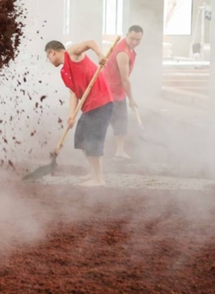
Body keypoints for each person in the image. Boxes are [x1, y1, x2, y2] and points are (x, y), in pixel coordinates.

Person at [45, 39, 114, 187]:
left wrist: (99, 54)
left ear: (53, 52)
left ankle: (99, 179)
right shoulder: (64, 73)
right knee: (81, 139)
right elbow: (73, 94)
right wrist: (71, 115)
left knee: (92, 141)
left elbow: (89, 43)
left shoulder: (71, 53)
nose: (49, 60)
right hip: (89, 106)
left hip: (101, 102)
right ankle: (93, 172)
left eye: (48, 56)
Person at [102, 25, 144, 159]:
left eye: (138, 40)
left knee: (121, 121)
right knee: (102, 121)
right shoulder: (123, 53)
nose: (134, 42)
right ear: (127, 35)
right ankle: (93, 149)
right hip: (108, 91)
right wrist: (131, 99)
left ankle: (119, 150)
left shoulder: (130, 49)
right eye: (132, 38)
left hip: (118, 92)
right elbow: (125, 79)